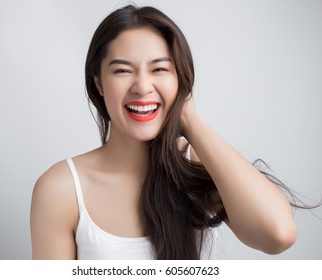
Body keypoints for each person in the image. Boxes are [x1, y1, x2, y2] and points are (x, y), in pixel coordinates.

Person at [30, 5, 297, 260]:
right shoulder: (61, 189)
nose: (143, 86)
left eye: (159, 69)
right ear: (98, 81)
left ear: (181, 79)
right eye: (122, 70)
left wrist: (189, 118)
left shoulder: (197, 166)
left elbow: (278, 235)